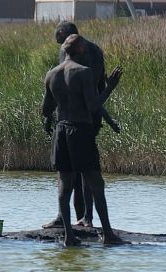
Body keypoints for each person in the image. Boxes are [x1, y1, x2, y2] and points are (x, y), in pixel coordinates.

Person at [41, 34, 127, 246]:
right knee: (96, 182)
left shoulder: (52, 74)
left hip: (61, 131)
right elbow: (92, 106)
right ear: (80, 50)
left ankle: (69, 236)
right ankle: (108, 234)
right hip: (80, 130)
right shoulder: (84, 72)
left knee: (64, 184)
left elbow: (45, 110)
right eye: (85, 50)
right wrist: (110, 87)